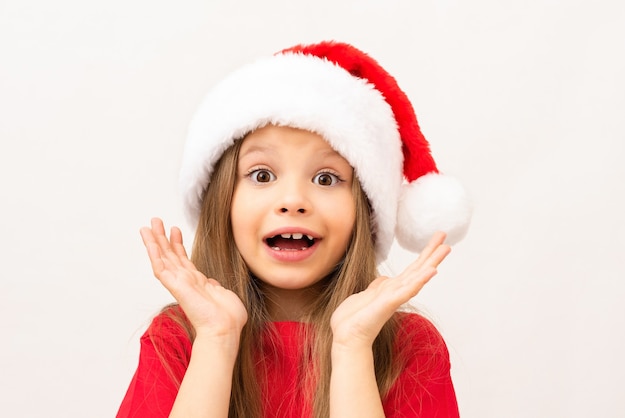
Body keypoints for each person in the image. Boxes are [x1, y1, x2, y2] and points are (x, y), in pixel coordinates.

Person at [117, 41, 472, 418]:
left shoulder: (408, 345)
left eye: (326, 178)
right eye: (262, 174)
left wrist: (352, 347)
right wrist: (216, 341)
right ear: (224, 201)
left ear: (364, 211)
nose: (293, 200)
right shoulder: (178, 338)